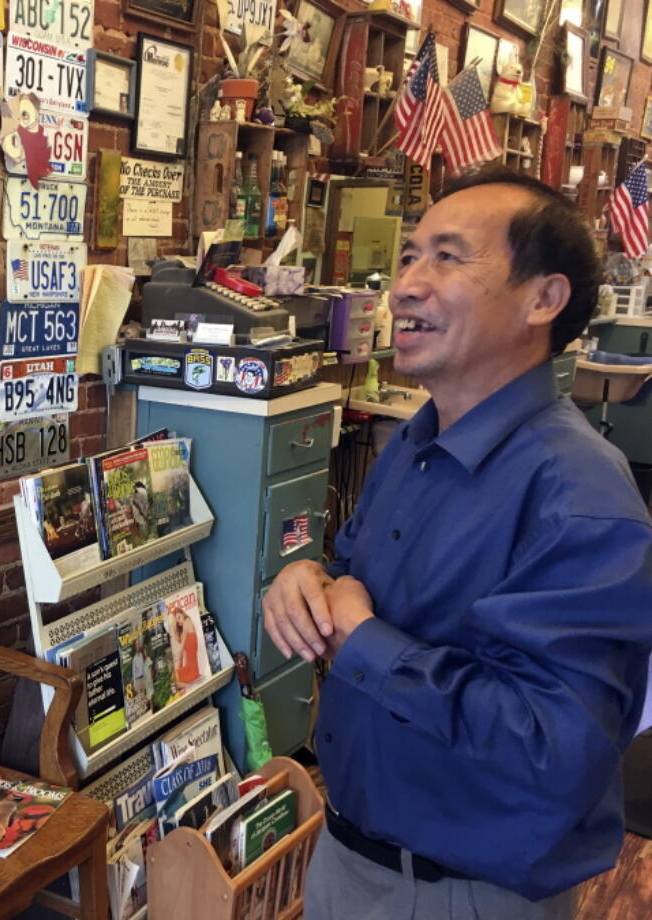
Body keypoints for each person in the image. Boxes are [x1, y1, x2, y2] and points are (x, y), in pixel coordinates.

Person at [263, 168, 652, 919]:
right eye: (409, 256)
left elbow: (554, 748)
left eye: (447, 257)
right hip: (347, 856)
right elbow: (353, 575)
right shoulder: (417, 442)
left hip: (461, 895)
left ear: (544, 298)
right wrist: (308, 580)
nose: (407, 284)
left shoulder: (579, 497)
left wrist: (365, 642)